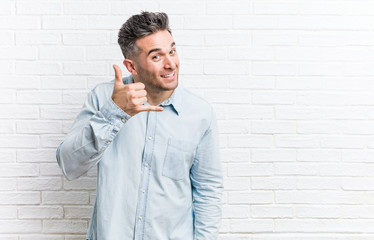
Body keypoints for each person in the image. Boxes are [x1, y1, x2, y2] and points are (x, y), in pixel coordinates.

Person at [56, 11, 223, 240]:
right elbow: (69, 165)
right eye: (157, 57)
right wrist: (113, 113)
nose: (170, 64)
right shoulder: (103, 98)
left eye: (172, 51)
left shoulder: (200, 113)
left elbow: (208, 190)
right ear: (131, 66)